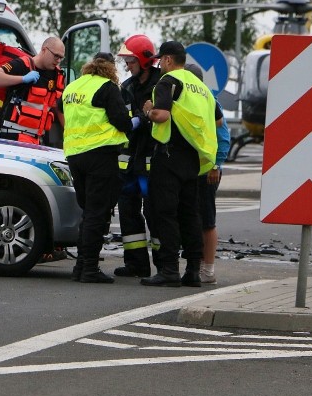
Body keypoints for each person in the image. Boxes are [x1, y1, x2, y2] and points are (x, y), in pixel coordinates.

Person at [140, 42, 217, 287]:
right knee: (190, 214)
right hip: (194, 158)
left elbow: (162, 115)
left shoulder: (168, 81)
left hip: (170, 155)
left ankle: (170, 270)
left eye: (160, 59)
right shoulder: (203, 88)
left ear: (169, 60)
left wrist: (148, 111)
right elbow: (215, 122)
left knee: (165, 213)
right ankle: (193, 271)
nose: (159, 64)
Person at [61, 52, 132, 283]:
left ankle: (81, 266)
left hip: (74, 155)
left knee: (88, 211)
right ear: (110, 68)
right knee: (97, 212)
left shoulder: (72, 87)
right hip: (100, 154)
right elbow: (122, 120)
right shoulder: (108, 87)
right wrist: (138, 119)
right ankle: (90, 268)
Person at [113, 35, 161, 278]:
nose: (127, 66)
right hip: (131, 163)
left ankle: (164, 266)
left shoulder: (161, 84)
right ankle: (136, 264)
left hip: (153, 162)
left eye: (130, 61)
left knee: (156, 213)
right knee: (128, 213)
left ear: (143, 60)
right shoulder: (127, 87)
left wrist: (142, 119)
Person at [184, 63, 231, 285]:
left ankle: (208, 268)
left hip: (208, 169)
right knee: (194, 217)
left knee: (207, 219)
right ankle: (199, 263)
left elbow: (223, 137)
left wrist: (216, 165)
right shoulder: (197, 100)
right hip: (193, 168)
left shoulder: (210, 101)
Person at [0, 37, 66, 146]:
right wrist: (22, 79)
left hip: (35, 139)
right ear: (44, 50)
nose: (58, 60)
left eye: (61, 58)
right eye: (56, 56)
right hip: (14, 136)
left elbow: (57, 107)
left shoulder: (56, 75)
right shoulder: (23, 64)